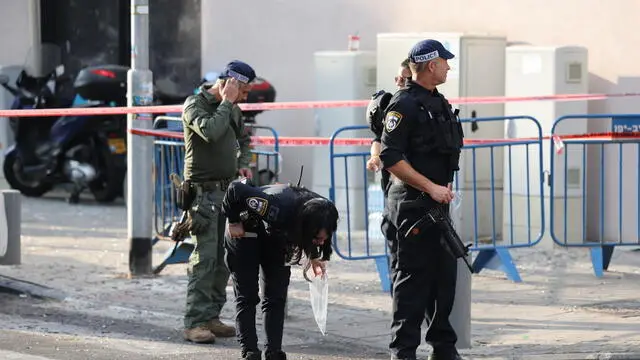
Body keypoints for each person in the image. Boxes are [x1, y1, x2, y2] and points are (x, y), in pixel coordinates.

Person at [379, 39, 465, 360]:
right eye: (445, 61)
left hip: (437, 205)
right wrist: (430, 187)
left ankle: (443, 349)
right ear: (431, 65)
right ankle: (403, 352)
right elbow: (390, 156)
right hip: (412, 207)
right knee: (412, 282)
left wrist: (438, 192)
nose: (448, 67)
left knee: (444, 279)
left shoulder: (438, 102)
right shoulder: (404, 105)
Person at [221, 178, 339, 360]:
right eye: (316, 238)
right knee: (247, 295)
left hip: (275, 235)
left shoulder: (323, 210)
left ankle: (274, 351)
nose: (321, 241)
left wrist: (314, 255)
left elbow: (313, 231)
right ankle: (250, 351)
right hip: (245, 232)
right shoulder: (276, 207)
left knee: (276, 296)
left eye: (324, 239)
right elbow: (234, 189)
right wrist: (233, 220)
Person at [181, 60, 256, 344]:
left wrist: (243, 163)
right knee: (205, 259)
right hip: (203, 195)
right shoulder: (194, 104)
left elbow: (244, 139)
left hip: (227, 193)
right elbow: (210, 132)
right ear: (229, 84)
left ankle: (212, 315)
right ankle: (195, 321)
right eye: (244, 91)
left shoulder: (233, 110)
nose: (245, 98)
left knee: (224, 260)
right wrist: (226, 102)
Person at [365, 58, 411, 294]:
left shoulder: (420, 106)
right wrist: (375, 157)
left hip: (418, 195)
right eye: (398, 78)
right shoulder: (391, 105)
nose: (400, 82)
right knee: (398, 255)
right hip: (395, 193)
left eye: (405, 78)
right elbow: (378, 139)